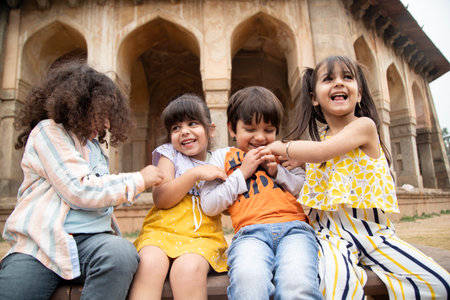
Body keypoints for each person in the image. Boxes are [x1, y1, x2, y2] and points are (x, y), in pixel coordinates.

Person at [267, 55, 450, 299]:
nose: (339, 83)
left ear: (360, 93)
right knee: (337, 289)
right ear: (314, 98)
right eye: (328, 79)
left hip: (375, 234)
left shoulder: (364, 126)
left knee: (439, 284)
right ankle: (355, 276)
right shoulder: (318, 144)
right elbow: (324, 153)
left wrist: (280, 146)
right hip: (331, 238)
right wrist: (301, 159)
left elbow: (323, 151)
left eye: (348, 77)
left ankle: (366, 277)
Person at [0, 62, 164, 300]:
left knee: (120, 254)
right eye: (102, 113)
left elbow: (101, 195)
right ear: (80, 105)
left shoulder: (95, 148)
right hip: (41, 246)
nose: (107, 123)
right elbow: (79, 189)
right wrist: (140, 179)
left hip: (91, 245)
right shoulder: (49, 132)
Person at [201, 86, 322, 300]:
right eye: (249, 129)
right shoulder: (223, 156)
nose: (260, 137)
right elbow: (209, 204)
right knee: (249, 283)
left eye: (268, 130)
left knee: (298, 285)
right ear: (232, 129)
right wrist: (242, 173)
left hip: (295, 230)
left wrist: (278, 172)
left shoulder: (283, 153)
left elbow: (307, 192)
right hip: (250, 234)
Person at [129, 94, 229, 300]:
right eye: (176, 127)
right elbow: (161, 199)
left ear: (210, 130)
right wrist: (193, 175)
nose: (184, 131)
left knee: (188, 269)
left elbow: (227, 205)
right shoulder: (169, 155)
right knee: (149, 263)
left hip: (202, 237)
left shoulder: (218, 161)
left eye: (192, 123)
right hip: (161, 232)